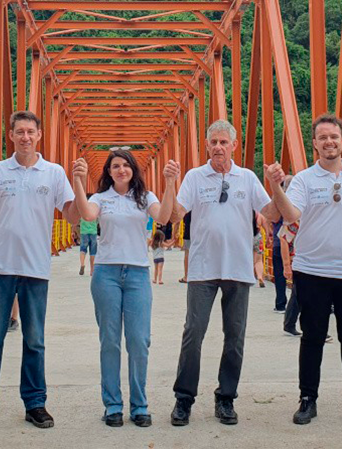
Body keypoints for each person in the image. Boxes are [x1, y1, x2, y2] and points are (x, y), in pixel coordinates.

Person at [0, 110, 75, 432]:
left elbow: (74, 216)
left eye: (30, 132)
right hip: (0, 268)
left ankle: (35, 404)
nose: (25, 137)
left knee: (35, 341)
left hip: (36, 269)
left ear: (39, 135)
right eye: (19, 131)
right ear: (11, 135)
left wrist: (78, 180)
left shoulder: (54, 172)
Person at [267, 113, 342, 428]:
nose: (328, 142)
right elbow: (291, 213)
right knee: (312, 337)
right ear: (314, 144)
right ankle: (307, 400)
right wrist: (275, 185)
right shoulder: (306, 179)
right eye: (322, 137)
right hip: (312, 271)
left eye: (333, 136)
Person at [163, 119, 284, 427]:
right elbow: (177, 215)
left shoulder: (246, 177)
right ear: (207, 145)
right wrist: (170, 183)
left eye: (223, 142)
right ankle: (183, 399)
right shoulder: (194, 176)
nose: (218, 147)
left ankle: (226, 398)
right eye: (213, 142)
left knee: (235, 338)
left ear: (234, 146)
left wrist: (276, 186)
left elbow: (270, 212)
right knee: (193, 333)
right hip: (203, 268)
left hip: (238, 268)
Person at [70, 148, 171, 428]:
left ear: (133, 169)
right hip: (107, 273)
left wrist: (171, 182)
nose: (120, 170)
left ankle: (140, 405)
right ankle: (113, 405)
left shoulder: (145, 197)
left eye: (125, 165)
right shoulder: (102, 198)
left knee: (139, 341)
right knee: (110, 341)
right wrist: (78, 181)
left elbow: (163, 215)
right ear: (108, 171)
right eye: (115, 166)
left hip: (138, 274)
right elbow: (88, 216)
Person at [270, 218, 287, 311]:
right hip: (295, 242)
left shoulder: (277, 206)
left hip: (278, 242)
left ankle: (280, 304)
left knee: (279, 275)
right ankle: (298, 305)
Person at [253, 213, 266, 288]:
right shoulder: (260, 215)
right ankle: (260, 277)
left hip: (247, 237)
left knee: (249, 259)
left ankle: (250, 277)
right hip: (258, 237)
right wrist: (268, 236)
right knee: (258, 260)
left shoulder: (245, 214)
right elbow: (266, 228)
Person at [178, 212, 191, 284]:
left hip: (188, 232)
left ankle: (186, 276)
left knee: (187, 253)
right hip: (199, 233)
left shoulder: (188, 203)